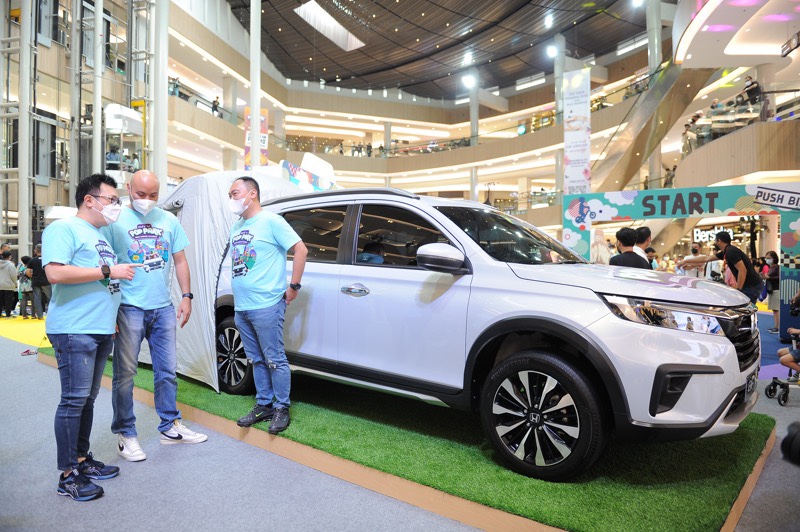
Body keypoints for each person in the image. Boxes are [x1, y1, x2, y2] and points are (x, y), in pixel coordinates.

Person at [44, 173, 140, 501]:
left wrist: (111, 318)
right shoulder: (64, 228)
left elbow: (104, 284)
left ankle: (82, 460)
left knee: (87, 399)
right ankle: (67, 474)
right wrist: (108, 270)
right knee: (74, 400)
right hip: (74, 328)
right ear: (89, 200)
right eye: (111, 199)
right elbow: (55, 272)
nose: (116, 206)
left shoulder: (99, 236)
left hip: (99, 329)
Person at [103, 170, 207, 461]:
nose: (146, 200)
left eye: (153, 195)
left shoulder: (168, 220)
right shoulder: (114, 220)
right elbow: (104, 262)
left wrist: (186, 296)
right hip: (128, 306)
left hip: (162, 307)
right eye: (140, 194)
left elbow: (180, 260)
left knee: (167, 371)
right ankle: (126, 434)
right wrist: (109, 308)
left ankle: (170, 426)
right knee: (125, 374)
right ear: (128, 189)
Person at [228, 177, 308, 434]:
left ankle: (281, 407)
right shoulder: (237, 226)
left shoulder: (272, 221)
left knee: (274, 358)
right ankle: (264, 404)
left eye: (235, 193)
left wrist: (294, 286)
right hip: (242, 306)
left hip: (267, 303)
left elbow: (301, 250)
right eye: (230, 194)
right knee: (256, 358)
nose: (232, 198)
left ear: (252, 194)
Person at [713, 231, 763, 304]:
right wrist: (692, 260)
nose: (715, 243)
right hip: (751, 284)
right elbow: (707, 258)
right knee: (746, 307)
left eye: (715, 240)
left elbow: (742, 270)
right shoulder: (727, 251)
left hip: (750, 285)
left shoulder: (730, 252)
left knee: (744, 307)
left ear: (719, 241)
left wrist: (739, 289)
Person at [27, 244, 52, 319]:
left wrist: (33, 277)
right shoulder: (47, 260)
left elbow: (28, 272)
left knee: (37, 299)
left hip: (36, 282)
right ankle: (51, 315)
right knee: (50, 298)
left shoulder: (32, 260)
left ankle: (40, 316)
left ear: (35, 251)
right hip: (46, 281)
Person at [764, 250, 780, 333]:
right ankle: (775, 326)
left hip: (776, 289)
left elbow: (779, 278)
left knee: (776, 309)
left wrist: (769, 278)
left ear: (774, 258)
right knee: (774, 309)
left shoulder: (777, 267)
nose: (767, 260)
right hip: (771, 290)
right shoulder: (771, 267)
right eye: (766, 258)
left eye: (769, 258)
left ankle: (777, 327)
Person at [0, 250, 17, 317]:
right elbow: (13, 275)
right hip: (8, 285)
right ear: (10, 256)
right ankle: (8, 314)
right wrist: (15, 283)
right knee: (8, 300)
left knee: (0, 300)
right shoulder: (11, 265)